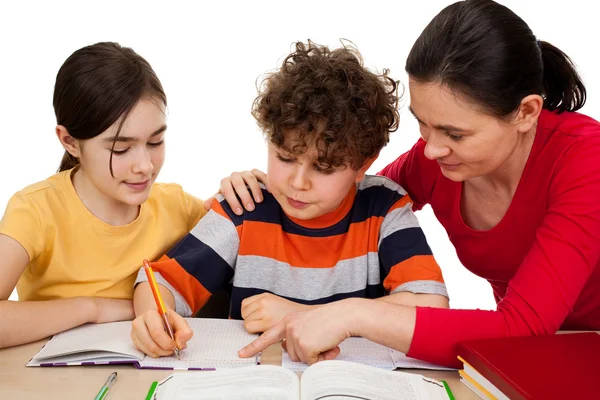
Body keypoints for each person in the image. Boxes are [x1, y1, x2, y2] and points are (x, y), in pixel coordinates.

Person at [224, 0, 600, 368]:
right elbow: (348, 203)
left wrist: (351, 314)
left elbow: (524, 326)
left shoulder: (587, 162)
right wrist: (266, 194)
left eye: (454, 133)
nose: (431, 150)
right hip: (537, 359)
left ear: (526, 112)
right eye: (423, 122)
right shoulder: (437, 161)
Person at [130, 41, 449, 358]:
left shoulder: (384, 208)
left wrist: (300, 314)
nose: (298, 183)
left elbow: (430, 307)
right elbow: (160, 284)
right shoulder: (246, 206)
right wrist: (153, 318)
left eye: (323, 167)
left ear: (363, 164)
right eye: (285, 158)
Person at [0, 42, 207, 349]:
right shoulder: (35, 210)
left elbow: (252, 238)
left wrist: (250, 189)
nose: (145, 166)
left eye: (156, 141)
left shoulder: (177, 206)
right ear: (70, 141)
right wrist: (92, 309)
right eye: (120, 149)